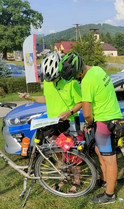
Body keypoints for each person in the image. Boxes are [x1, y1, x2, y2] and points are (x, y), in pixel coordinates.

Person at [59, 51, 123, 205]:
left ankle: (109, 195)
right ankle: (105, 179)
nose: (76, 79)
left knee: (110, 159)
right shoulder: (97, 70)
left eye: (75, 76)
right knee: (98, 151)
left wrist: (88, 123)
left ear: (79, 71)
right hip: (114, 116)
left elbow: (87, 114)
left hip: (104, 121)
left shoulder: (87, 81)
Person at [19, 52, 82, 193]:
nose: (52, 81)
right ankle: (65, 177)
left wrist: (69, 112)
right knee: (57, 151)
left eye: (55, 79)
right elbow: (47, 98)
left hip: (70, 121)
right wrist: (31, 98)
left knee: (72, 153)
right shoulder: (48, 82)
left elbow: (80, 103)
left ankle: (77, 180)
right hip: (53, 121)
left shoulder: (71, 82)